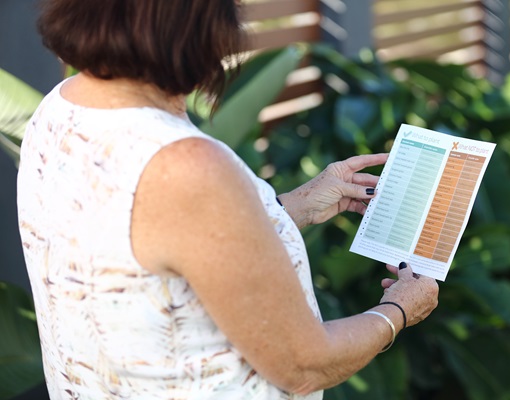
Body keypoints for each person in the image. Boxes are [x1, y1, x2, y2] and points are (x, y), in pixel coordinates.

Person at [16, 1, 439, 399]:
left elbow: (157, 246)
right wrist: (397, 311)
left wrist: (298, 204)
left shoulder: (63, 105)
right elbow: (304, 365)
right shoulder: (184, 164)